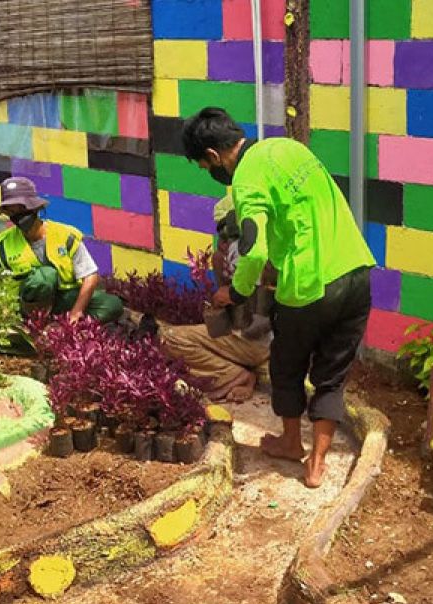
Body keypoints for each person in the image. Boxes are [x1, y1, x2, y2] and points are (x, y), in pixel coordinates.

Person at [182, 107, 375, 488]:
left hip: (310, 286)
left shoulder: (247, 179)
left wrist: (234, 292)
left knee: (287, 366)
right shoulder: (289, 148)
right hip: (356, 272)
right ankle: (317, 464)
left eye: (207, 168)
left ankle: (290, 443)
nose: (213, 173)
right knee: (331, 376)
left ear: (213, 156)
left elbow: (252, 250)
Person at [160, 196, 271, 402]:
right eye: (221, 231)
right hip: (240, 334)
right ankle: (235, 368)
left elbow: (263, 319)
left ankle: (237, 377)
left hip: (259, 340)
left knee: (172, 338)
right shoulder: (226, 255)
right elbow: (225, 307)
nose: (225, 236)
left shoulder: (257, 254)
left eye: (226, 229)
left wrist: (232, 297)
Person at [0, 176, 123, 324]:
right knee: (45, 276)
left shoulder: (65, 235)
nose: (17, 216)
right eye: (12, 212)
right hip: (27, 306)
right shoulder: (3, 244)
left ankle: (66, 326)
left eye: (21, 209)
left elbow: (90, 276)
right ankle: (37, 323)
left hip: (64, 297)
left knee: (112, 305)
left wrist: (77, 311)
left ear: (35, 208)